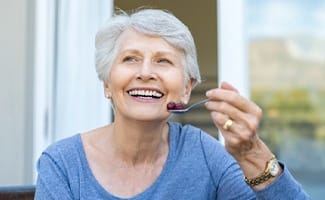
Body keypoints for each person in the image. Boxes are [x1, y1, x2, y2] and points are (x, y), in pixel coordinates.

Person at [35, 8, 310, 199]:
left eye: (163, 61)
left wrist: (252, 153)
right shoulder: (62, 164)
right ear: (107, 84)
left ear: (187, 89)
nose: (145, 72)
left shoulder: (205, 155)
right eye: (130, 58)